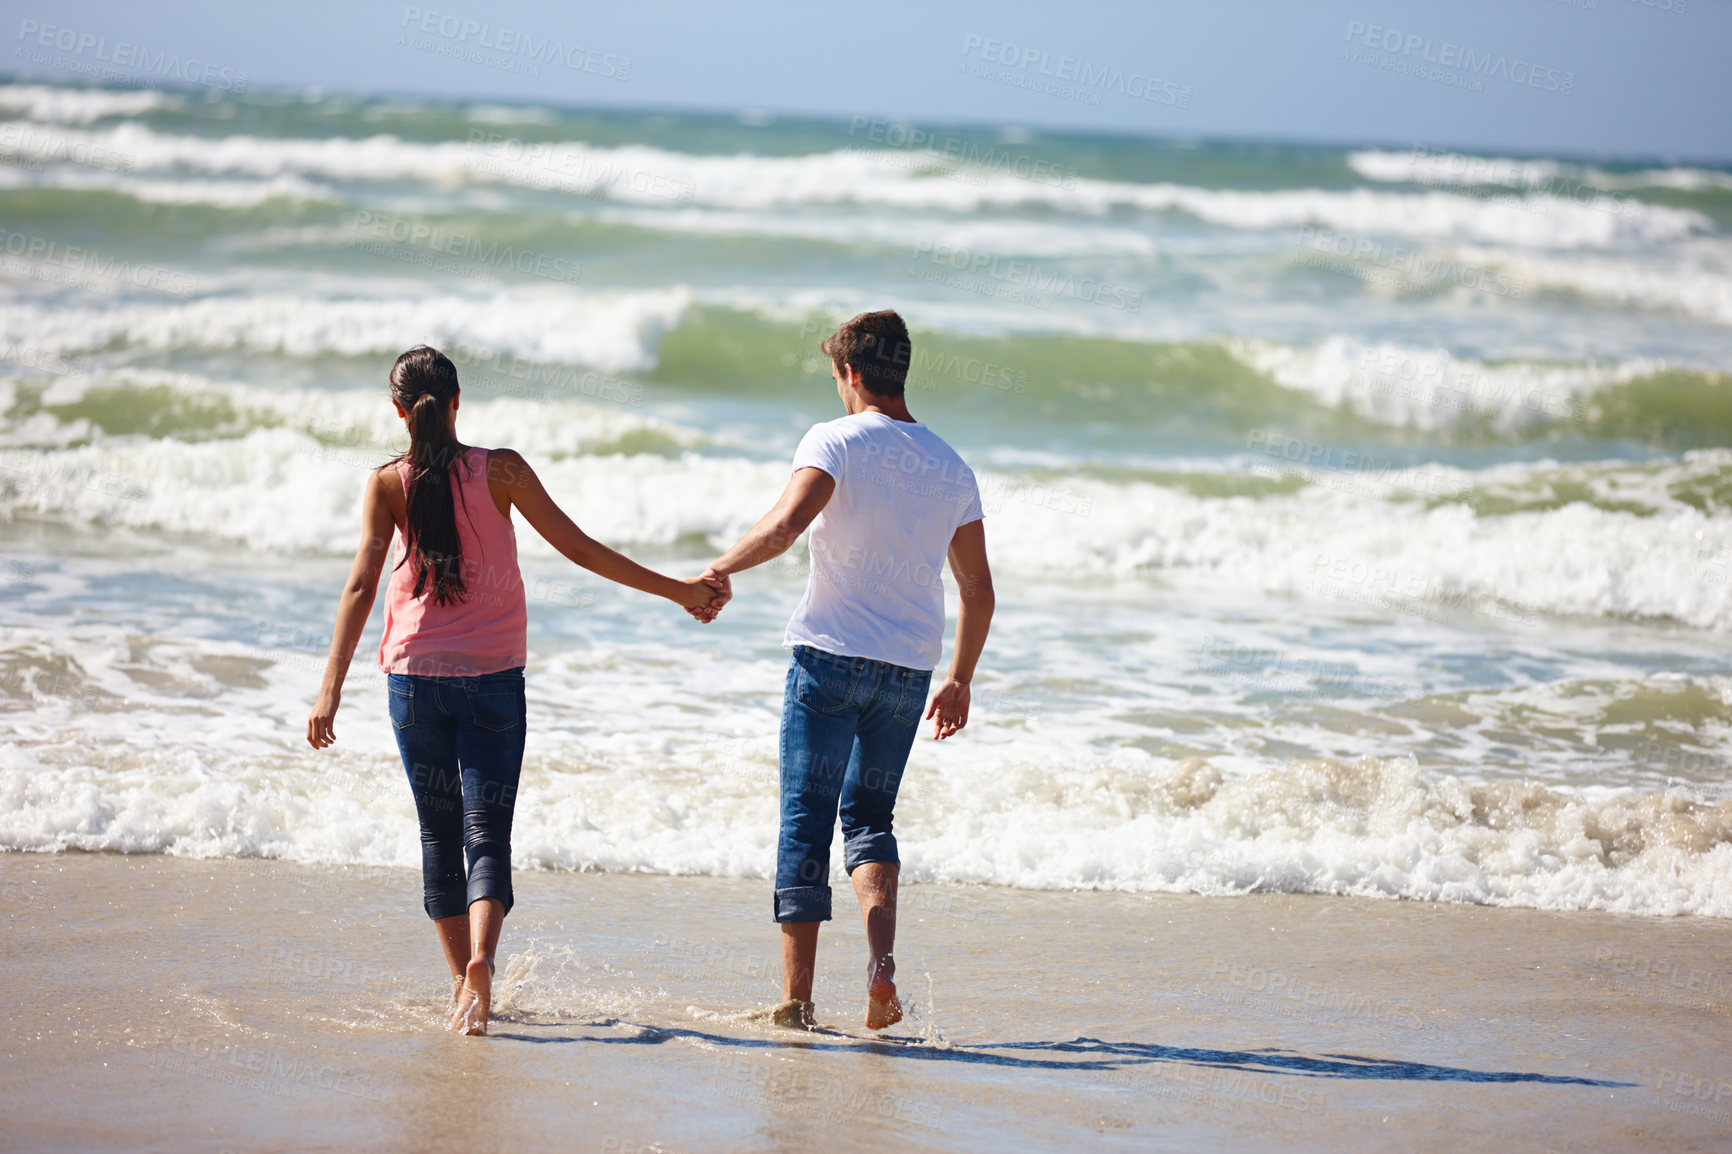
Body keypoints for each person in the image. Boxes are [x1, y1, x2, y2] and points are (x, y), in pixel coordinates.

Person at [306, 345, 720, 1036]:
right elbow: (582, 550)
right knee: (486, 833)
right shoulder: (500, 469)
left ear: (398, 411)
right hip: (492, 679)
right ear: (458, 400)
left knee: (438, 836)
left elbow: (359, 586)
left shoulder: (385, 483)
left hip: (413, 679)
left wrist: (329, 692)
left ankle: (460, 986)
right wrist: (679, 591)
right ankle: (484, 967)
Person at [697, 310, 994, 1031]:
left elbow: (786, 525)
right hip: (908, 670)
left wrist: (716, 571)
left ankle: (798, 1003)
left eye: (836, 374)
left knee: (807, 821)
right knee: (869, 822)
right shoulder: (951, 466)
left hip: (828, 659)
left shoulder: (834, 439)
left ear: (852, 374)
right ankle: (881, 970)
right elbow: (978, 591)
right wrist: (959, 678)